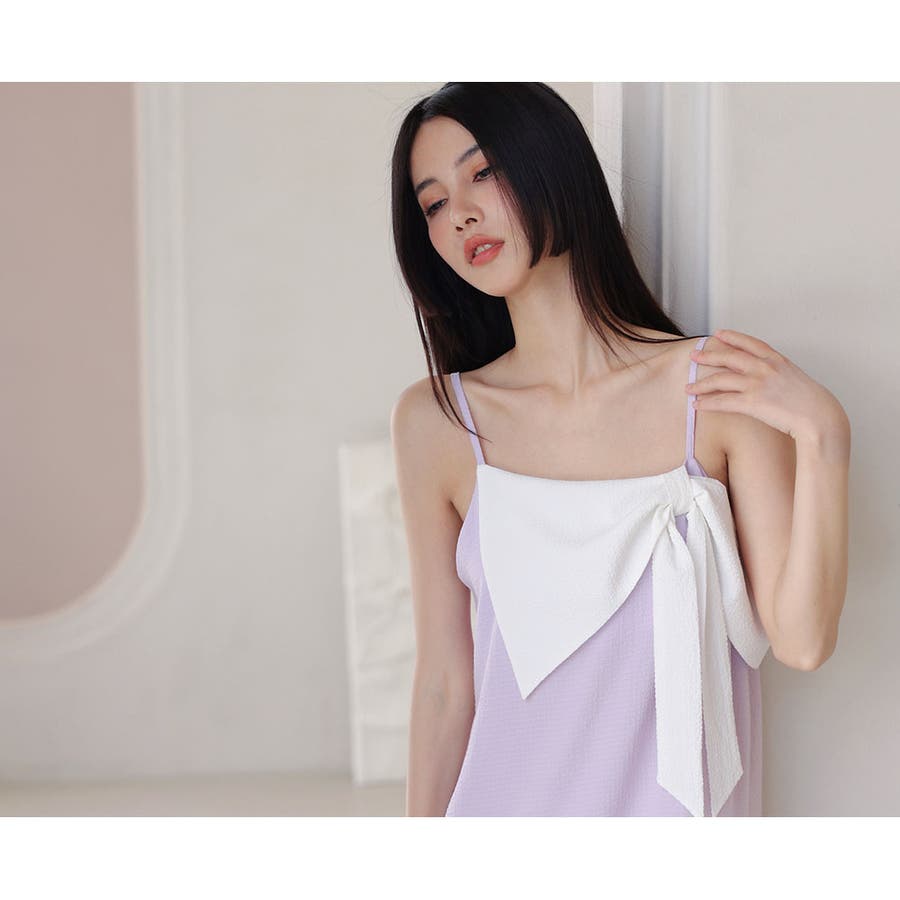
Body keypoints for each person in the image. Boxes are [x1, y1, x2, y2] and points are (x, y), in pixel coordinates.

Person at [388, 83, 850, 817]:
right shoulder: (437, 422)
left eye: (483, 172)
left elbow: (803, 640)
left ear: (551, 163)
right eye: (434, 203)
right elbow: (445, 686)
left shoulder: (719, 387)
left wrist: (825, 437)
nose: (461, 214)